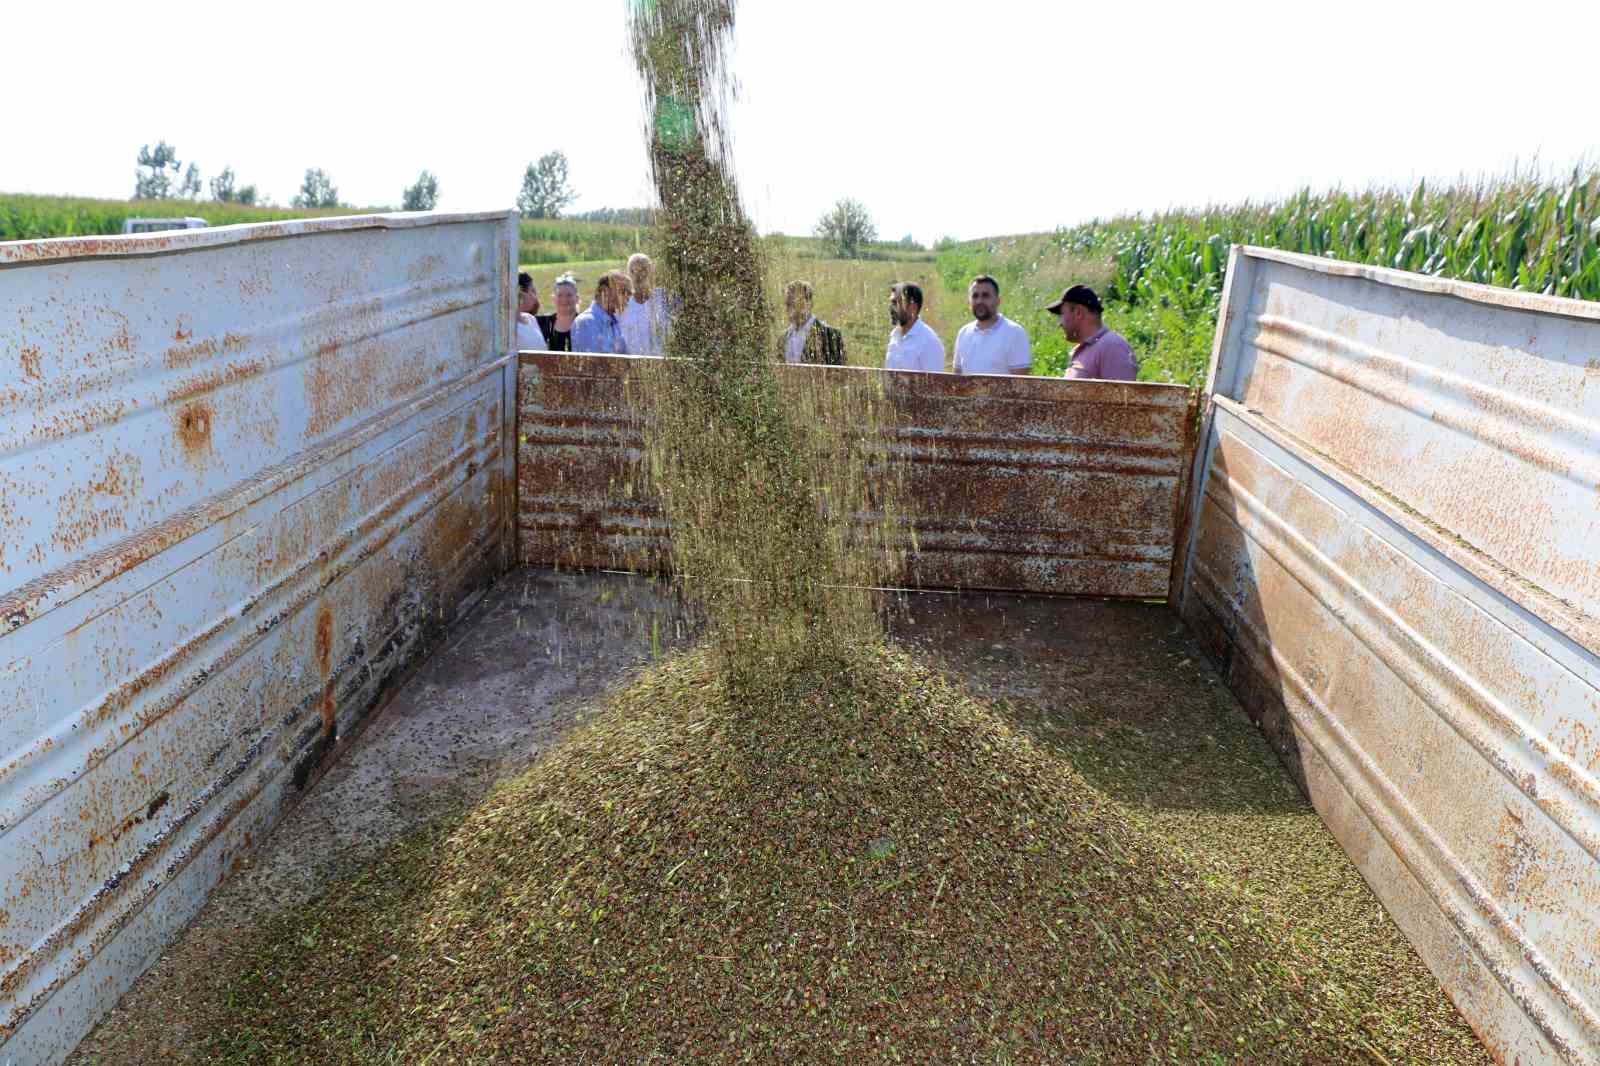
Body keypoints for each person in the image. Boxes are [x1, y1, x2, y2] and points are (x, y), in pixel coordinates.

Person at [1046, 285, 1138, 381]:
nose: (1060, 324)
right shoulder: (1090, 347)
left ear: (1078, 312)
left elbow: (1123, 394)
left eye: (1062, 314)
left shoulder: (1113, 347)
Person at [953, 275, 1031, 376]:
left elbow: (1020, 384)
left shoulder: (1014, 333)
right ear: (969, 302)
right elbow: (956, 379)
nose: (979, 301)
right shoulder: (963, 333)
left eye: (985, 296)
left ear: (998, 301)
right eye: (975, 296)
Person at [883, 281, 945, 373]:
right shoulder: (894, 337)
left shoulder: (929, 342)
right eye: (891, 303)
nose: (891, 308)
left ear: (913, 307)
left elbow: (935, 385)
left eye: (895, 303)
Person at [779, 281, 845, 365]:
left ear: (808, 303)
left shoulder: (830, 335)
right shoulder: (783, 339)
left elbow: (839, 375)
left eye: (794, 301)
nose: (789, 307)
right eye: (787, 303)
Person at [620, 253, 672, 355]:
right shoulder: (621, 304)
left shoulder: (663, 299)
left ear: (651, 273)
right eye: (633, 271)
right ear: (627, 275)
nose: (638, 276)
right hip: (631, 366)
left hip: (660, 365)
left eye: (643, 270)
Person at [571, 271, 631, 354]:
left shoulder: (614, 322)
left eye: (629, 293)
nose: (628, 297)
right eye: (623, 291)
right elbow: (595, 364)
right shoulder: (586, 322)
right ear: (605, 292)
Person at [536, 274, 580, 353]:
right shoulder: (541, 323)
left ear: (577, 298)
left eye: (569, 295)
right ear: (553, 298)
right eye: (559, 295)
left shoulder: (584, 323)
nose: (564, 299)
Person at [516, 272, 548, 351]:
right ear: (520, 293)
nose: (535, 296)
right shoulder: (508, 327)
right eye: (532, 291)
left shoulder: (531, 318)